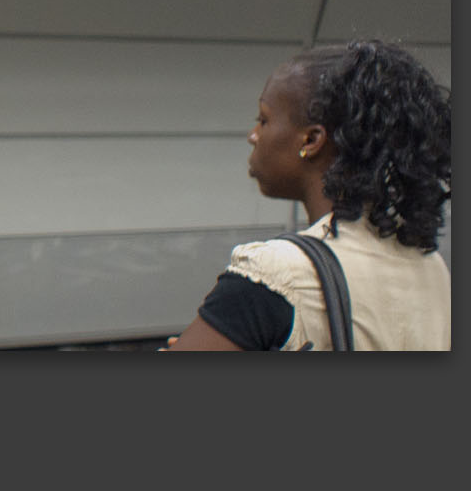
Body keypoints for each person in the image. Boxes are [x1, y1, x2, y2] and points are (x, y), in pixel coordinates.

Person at [165, 39, 450, 350]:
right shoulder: (428, 263)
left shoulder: (276, 273)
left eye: (264, 120)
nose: (253, 136)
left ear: (312, 140)